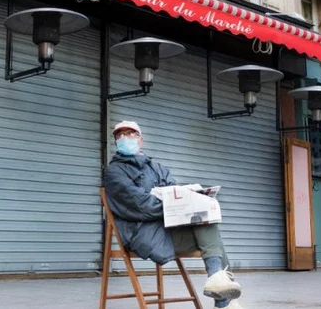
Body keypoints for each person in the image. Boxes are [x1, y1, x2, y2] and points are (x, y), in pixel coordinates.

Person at [103, 120, 245, 309]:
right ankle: (223, 300)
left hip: (167, 228)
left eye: (130, 134)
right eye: (120, 135)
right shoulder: (114, 172)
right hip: (143, 234)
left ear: (140, 140)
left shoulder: (157, 168)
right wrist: (171, 204)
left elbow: (175, 195)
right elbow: (142, 205)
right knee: (211, 237)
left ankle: (220, 290)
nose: (125, 138)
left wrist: (189, 199)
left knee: (207, 221)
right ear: (116, 142)